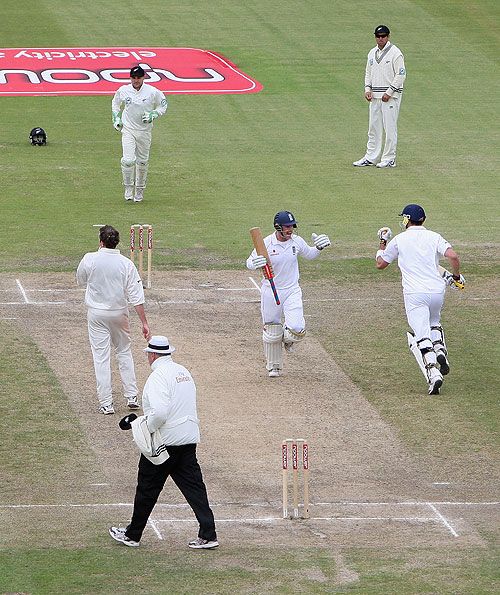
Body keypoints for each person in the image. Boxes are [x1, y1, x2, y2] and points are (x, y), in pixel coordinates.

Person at [109, 336, 219, 550]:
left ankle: (133, 535)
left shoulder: (158, 377)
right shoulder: (183, 372)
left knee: (147, 488)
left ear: (151, 355)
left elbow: (159, 413)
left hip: (164, 443)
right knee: (195, 488)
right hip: (187, 440)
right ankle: (208, 534)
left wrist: (145, 429)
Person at [375, 204, 465, 395]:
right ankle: (440, 350)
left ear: (407, 220)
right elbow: (453, 256)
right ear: (423, 220)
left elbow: (380, 264)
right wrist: (455, 277)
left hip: (415, 294)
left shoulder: (399, 240)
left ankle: (433, 373)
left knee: (422, 334)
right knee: (434, 323)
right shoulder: (434, 237)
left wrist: (382, 243)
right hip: (436, 293)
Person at [246, 211, 331, 377]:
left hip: (292, 290)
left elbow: (310, 254)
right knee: (272, 329)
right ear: (278, 227)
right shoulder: (266, 243)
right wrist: (254, 263)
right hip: (271, 290)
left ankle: (287, 339)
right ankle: (274, 367)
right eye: (287, 226)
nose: (290, 229)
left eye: (292, 226)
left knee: (297, 328)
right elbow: (250, 261)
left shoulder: (296, 242)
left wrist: (319, 247)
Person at [76, 225, 151, 414]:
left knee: (101, 357)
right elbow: (136, 295)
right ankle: (132, 396)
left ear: (101, 242)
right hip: (119, 314)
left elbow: (80, 280)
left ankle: (106, 403)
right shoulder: (126, 263)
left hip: (97, 314)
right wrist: (144, 322)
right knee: (124, 351)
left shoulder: (89, 259)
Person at [112, 65, 168, 202]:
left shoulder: (152, 92)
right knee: (128, 160)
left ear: (143, 77)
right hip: (128, 130)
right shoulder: (124, 90)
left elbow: (163, 105)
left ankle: (139, 191)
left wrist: (154, 114)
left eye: (138, 78)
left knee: (142, 162)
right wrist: (116, 118)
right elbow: (115, 104)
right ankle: (128, 188)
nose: (136, 80)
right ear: (130, 78)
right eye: (133, 78)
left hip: (144, 131)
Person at [353, 25, 406, 169]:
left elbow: (401, 74)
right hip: (375, 96)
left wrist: (389, 92)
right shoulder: (371, 53)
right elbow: (368, 73)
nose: (380, 39)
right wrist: (367, 89)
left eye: (383, 36)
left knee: (389, 128)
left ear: (388, 37)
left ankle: (389, 158)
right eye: (378, 36)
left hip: (390, 97)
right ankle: (371, 157)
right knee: (373, 128)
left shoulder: (396, 53)